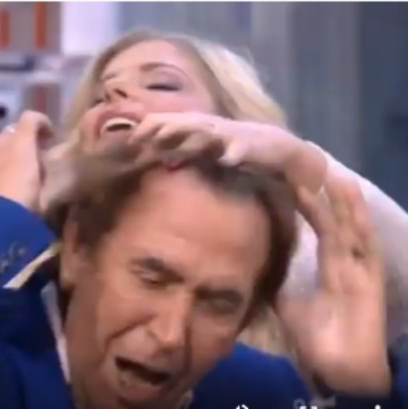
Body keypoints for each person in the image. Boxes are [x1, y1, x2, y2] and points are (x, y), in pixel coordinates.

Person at [0, 110, 406, 409]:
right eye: (151, 276)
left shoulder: (253, 390)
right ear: (77, 249)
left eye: (218, 302)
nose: (170, 334)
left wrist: (362, 389)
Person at [25, 29, 408, 352]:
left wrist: (294, 160)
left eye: (160, 83)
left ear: (234, 121)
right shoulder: (36, 258)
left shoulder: (286, 257)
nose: (115, 91)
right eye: (99, 97)